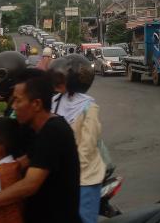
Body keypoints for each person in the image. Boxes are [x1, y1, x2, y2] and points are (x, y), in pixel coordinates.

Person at [0, 70, 81, 223]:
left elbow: (29, 185)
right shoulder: (36, 130)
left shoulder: (53, 131)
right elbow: (16, 166)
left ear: (36, 104)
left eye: (18, 101)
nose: (13, 106)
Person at [50, 55, 106, 223]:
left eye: (61, 78)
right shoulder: (55, 101)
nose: (56, 81)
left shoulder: (89, 107)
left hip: (84, 178)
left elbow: (86, 149)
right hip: (61, 177)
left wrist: (67, 173)